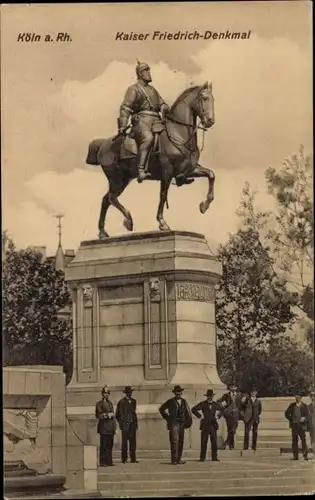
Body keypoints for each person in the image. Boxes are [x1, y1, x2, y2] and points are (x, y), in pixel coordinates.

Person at [118, 60, 170, 183]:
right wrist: (123, 125)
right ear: (140, 73)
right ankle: (141, 170)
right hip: (141, 121)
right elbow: (125, 107)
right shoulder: (134, 89)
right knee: (148, 138)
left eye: (149, 70)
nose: (149, 73)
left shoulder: (153, 90)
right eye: (146, 70)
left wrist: (165, 107)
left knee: (170, 138)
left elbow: (161, 103)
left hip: (156, 120)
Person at [159, 385, 193, 465]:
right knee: (174, 441)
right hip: (174, 423)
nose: (178, 393)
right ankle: (174, 459)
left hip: (182, 423)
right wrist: (167, 418)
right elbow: (161, 409)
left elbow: (188, 413)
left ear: (181, 392)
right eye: (176, 392)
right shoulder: (170, 401)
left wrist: (187, 423)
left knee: (181, 441)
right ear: (174, 393)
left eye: (179, 392)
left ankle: (179, 459)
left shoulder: (184, 401)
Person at [191, 389, 222, 462]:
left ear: (213, 396)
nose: (210, 397)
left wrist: (218, 416)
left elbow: (223, 409)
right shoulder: (203, 403)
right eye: (208, 396)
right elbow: (193, 409)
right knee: (204, 441)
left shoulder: (215, 404)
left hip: (213, 425)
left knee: (214, 442)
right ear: (207, 396)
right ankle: (202, 458)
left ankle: (214, 457)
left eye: (211, 396)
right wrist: (200, 416)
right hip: (205, 425)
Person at [115, 386, 138, 464]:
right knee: (124, 443)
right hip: (125, 425)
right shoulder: (121, 402)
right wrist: (121, 423)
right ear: (125, 393)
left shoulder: (134, 401)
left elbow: (134, 413)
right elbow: (117, 414)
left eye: (130, 392)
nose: (129, 394)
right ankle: (124, 459)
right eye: (128, 393)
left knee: (133, 443)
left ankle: (133, 459)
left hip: (132, 425)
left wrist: (135, 424)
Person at [95, 386, 116, 467]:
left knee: (110, 445)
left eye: (107, 393)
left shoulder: (110, 403)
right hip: (103, 428)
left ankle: (109, 461)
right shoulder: (99, 404)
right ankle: (103, 461)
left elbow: (113, 415)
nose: (106, 395)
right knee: (103, 445)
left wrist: (114, 427)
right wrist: (107, 415)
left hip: (110, 428)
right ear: (102, 394)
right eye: (104, 393)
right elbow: (98, 415)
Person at [285, 394, 309, 460]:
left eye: (298, 398)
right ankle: (295, 456)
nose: (297, 399)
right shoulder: (292, 405)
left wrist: (304, 419)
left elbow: (308, 416)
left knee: (303, 441)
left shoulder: (304, 406)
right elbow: (286, 413)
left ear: (301, 398)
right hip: (294, 426)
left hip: (302, 426)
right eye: (296, 398)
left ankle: (305, 456)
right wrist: (291, 419)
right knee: (294, 441)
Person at [217, 383, 241, 450]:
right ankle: (231, 445)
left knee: (233, 430)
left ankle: (225, 443)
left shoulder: (239, 395)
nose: (233, 388)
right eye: (232, 387)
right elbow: (218, 401)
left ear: (236, 388)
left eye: (234, 387)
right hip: (229, 414)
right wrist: (224, 408)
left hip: (236, 414)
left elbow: (243, 405)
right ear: (230, 387)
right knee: (230, 429)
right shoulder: (226, 395)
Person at [241, 387, 262, 451]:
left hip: (255, 418)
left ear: (256, 393)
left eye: (255, 392)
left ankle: (254, 446)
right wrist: (245, 415)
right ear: (250, 393)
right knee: (247, 432)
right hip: (248, 418)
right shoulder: (247, 400)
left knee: (255, 432)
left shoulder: (258, 401)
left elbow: (260, 410)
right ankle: (246, 447)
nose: (253, 393)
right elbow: (242, 407)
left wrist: (256, 415)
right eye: (252, 392)